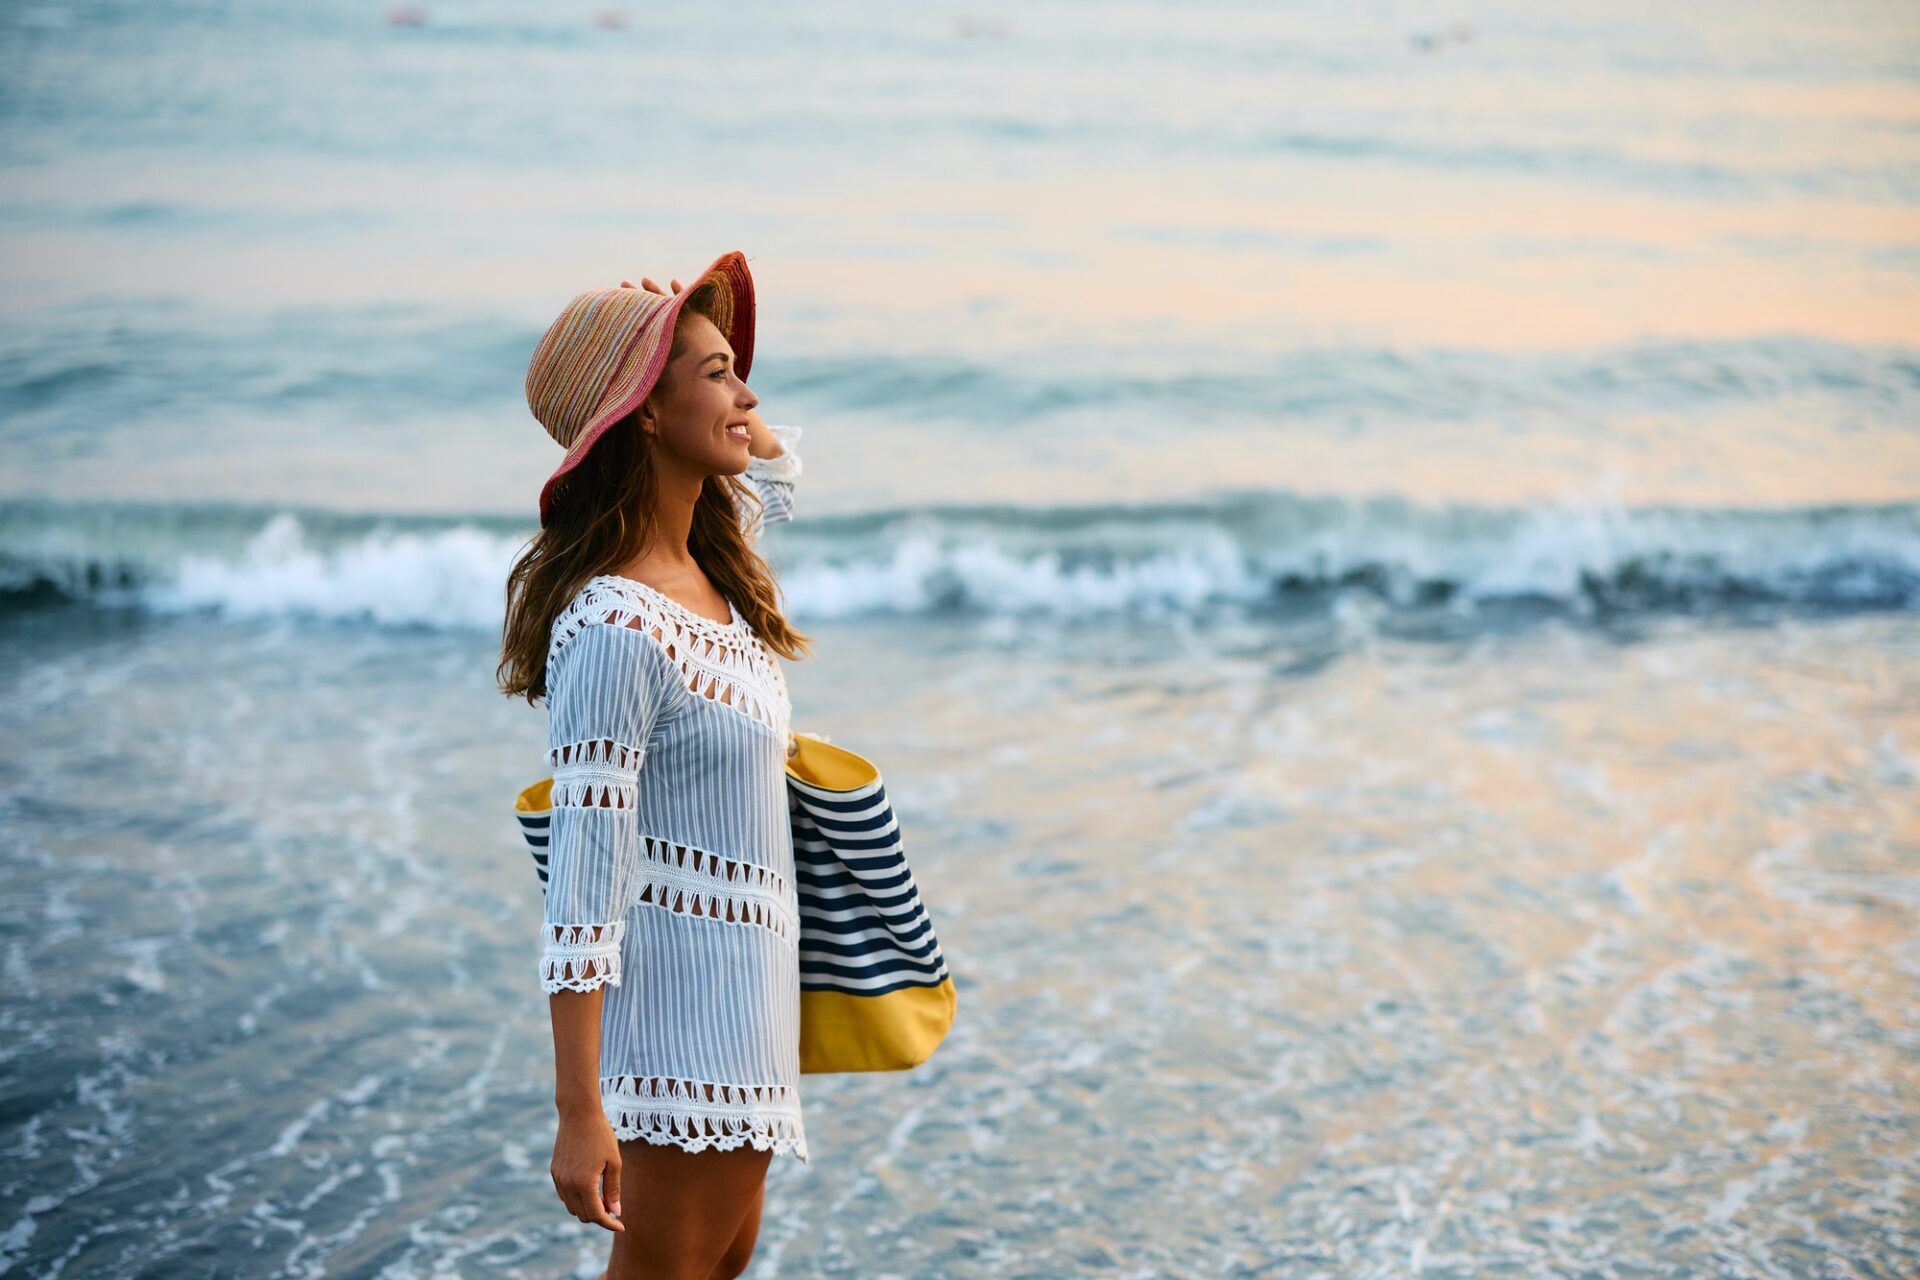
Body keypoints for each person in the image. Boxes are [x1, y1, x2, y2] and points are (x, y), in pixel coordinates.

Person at [497, 253, 813, 1280]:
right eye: (718, 371)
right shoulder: (617, 622)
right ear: (642, 411)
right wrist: (580, 1110)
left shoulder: (709, 583)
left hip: (750, 1042)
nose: (748, 395)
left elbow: (778, 470)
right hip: (677, 1060)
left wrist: (710, 390)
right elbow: (581, 896)